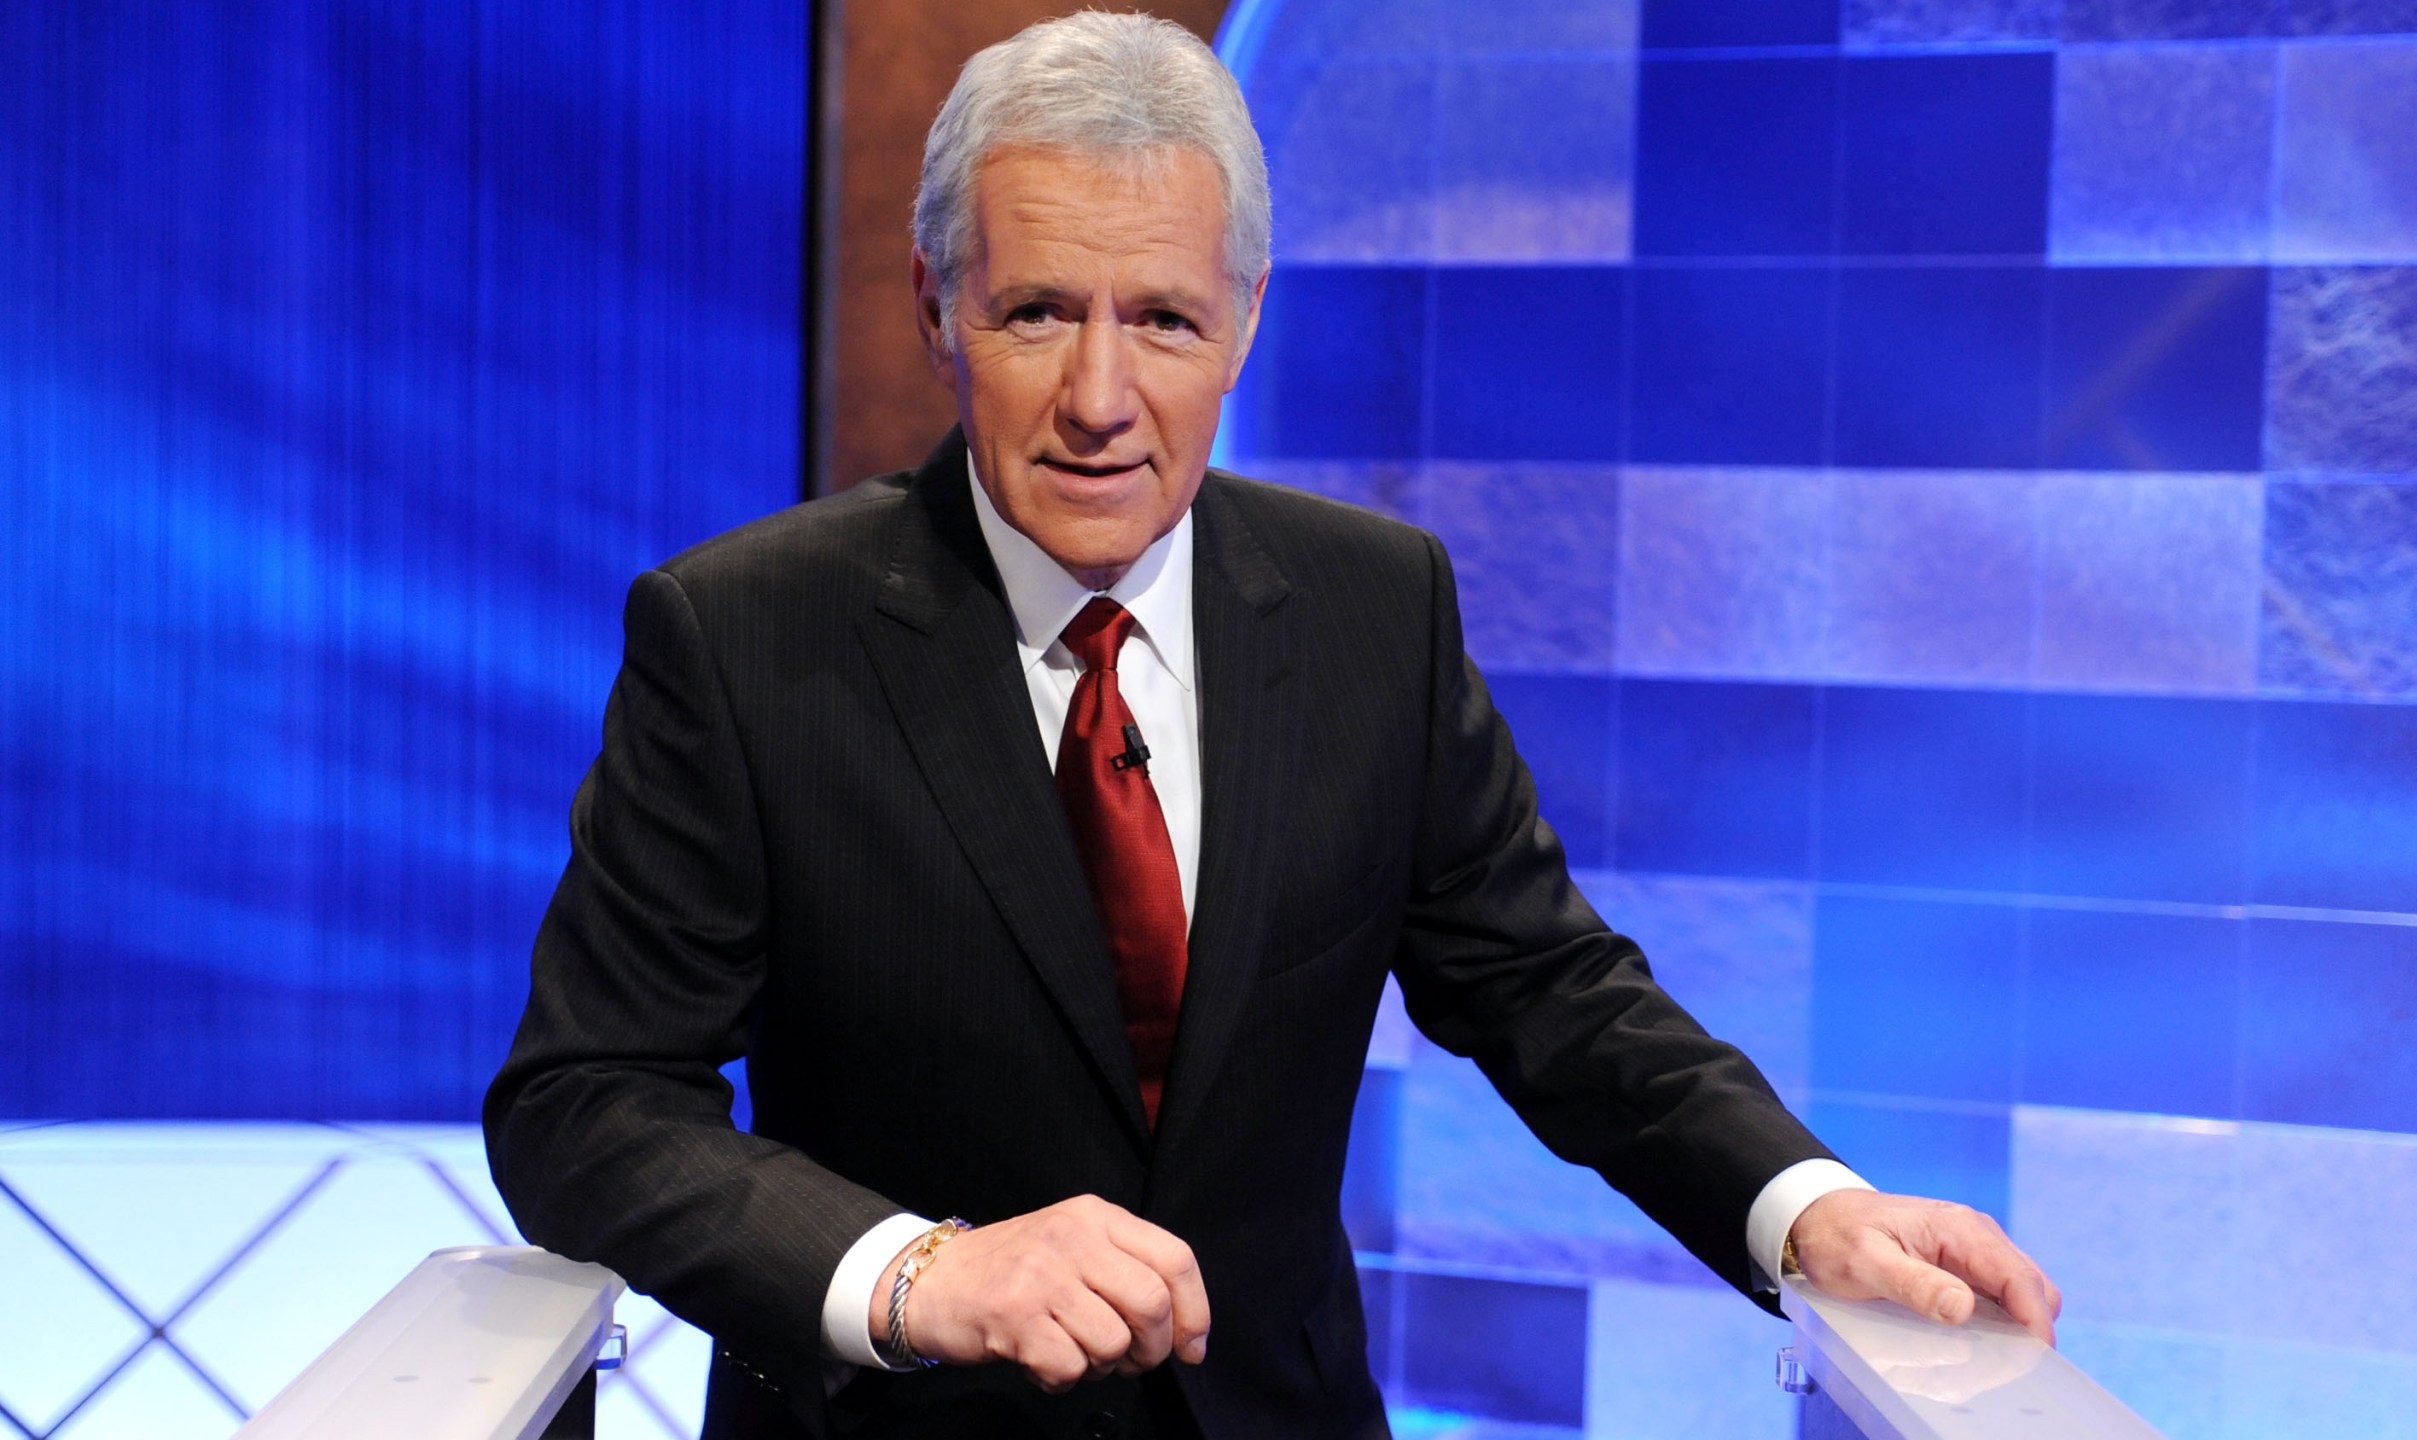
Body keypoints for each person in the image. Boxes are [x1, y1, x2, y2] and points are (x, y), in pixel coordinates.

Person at [484, 14, 2059, 1439]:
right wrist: (913, 1276)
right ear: (934, 305)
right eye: (1037, 310)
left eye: (1163, 320)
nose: (1101, 394)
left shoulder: (1376, 605)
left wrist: (1803, 1210)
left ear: (1245, 322)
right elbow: (586, 1105)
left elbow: (1550, 991)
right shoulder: (746, 635)